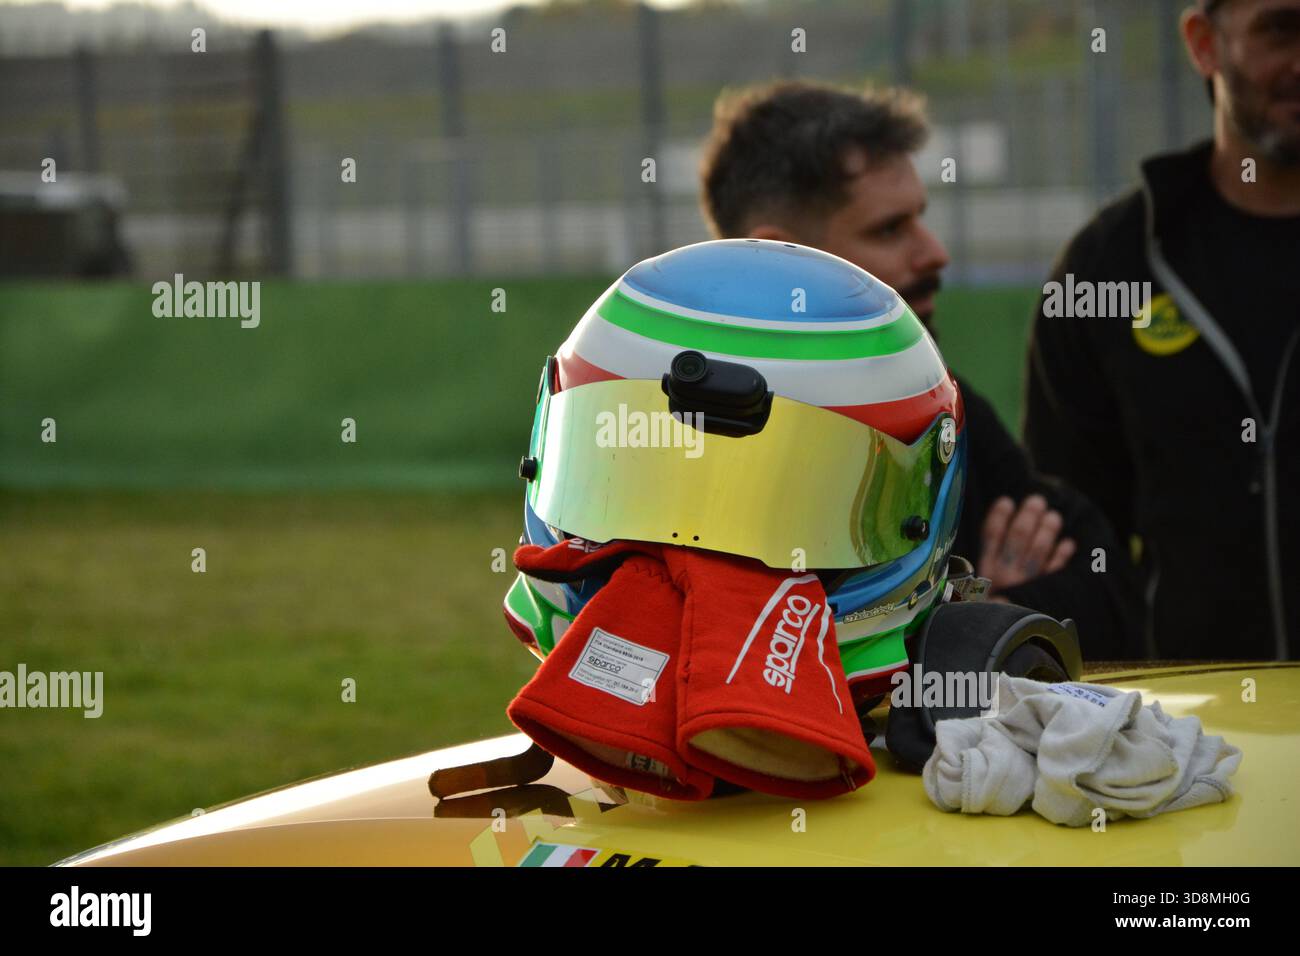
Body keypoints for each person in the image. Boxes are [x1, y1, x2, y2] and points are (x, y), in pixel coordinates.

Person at [699, 79, 1143, 659]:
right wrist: (975, 615)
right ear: (785, 263)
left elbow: (1104, 587)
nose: (934, 252)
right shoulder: (694, 441)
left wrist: (985, 617)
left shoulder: (945, 409)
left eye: (919, 218)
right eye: (889, 229)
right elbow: (750, 661)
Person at [1024, 0, 1300, 660]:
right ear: (1205, 43)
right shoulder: (1108, 269)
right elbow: (1073, 541)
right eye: (1280, 29)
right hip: (1193, 742)